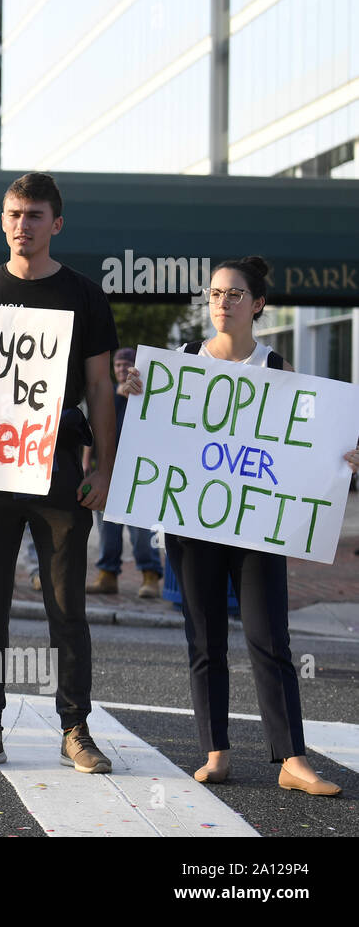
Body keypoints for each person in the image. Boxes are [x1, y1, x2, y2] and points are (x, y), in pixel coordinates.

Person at [120, 256, 359, 796]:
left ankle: (291, 759)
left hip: (255, 528)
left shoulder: (277, 368)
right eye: (214, 294)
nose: (222, 302)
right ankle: (216, 753)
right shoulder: (178, 364)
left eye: (233, 294)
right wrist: (136, 394)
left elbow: (307, 445)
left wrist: (342, 459)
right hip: (194, 521)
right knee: (204, 641)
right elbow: (154, 437)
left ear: (258, 305)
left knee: (269, 638)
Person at [0, 173, 119, 773]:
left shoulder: (85, 296)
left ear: (55, 224)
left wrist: (105, 470)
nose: (22, 225)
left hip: (59, 468)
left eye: (35, 215)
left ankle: (76, 729)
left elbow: (99, 389)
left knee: (68, 611)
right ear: (2, 220)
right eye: (13, 214)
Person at [84, 347, 164, 598]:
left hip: (139, 474)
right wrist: (87, 462)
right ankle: (107, 575)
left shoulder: (148, 395)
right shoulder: (104, 394)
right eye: (117, 365)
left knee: (141, 530)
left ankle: (149, 575)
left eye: (125, 365)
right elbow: (91, 431)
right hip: (107, 472)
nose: (120, 369)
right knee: (108, 529)